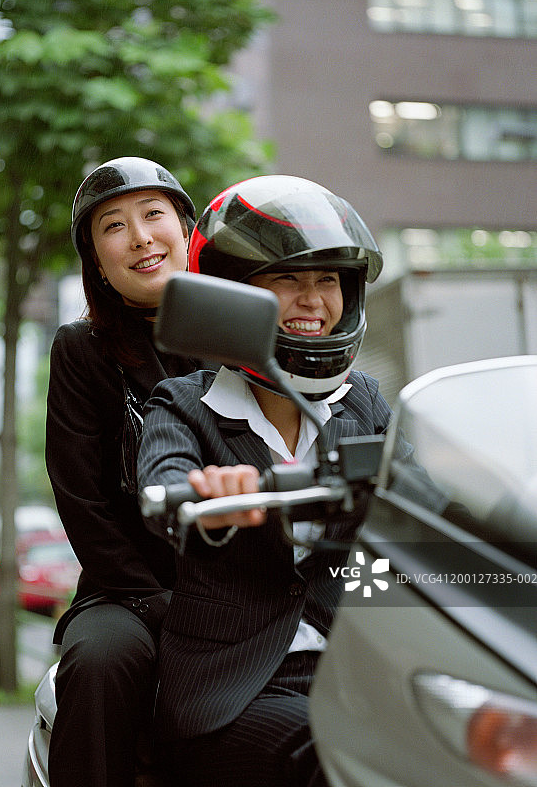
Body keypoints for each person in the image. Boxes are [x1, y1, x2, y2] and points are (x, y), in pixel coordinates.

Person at [136, 174, 391, 787]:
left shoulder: (365, 407)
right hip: (235, 688)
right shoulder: (184, 404)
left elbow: (428, 487)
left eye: (328, 279)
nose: (313, 299)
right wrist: (207, 494)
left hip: (359, 669)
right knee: (332, 757)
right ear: (233, 297)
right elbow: (164, 479)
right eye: (287, 279)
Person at [45, 156, 199, 787]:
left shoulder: (246, 333)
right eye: (114, 225)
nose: (139, 236)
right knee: (100, 662)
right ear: (97, 260)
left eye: (154, 214)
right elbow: (81, 497)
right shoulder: (81, 350)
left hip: (248, 587)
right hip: (128, 592)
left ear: (188, 230)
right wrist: (160, 604)